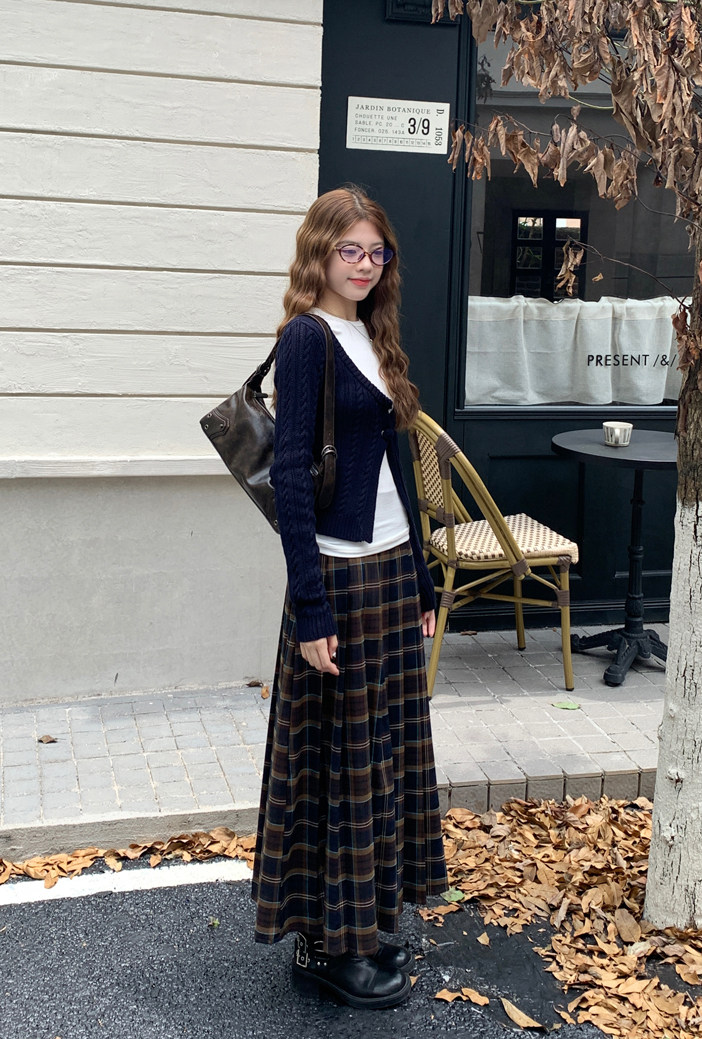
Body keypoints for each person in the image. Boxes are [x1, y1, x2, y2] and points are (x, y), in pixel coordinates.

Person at [250, 186, 448, 1010]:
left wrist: (423, 576)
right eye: (350, 251)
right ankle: (326, 946)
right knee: (338, 768)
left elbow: (396, 466)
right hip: (338, 575)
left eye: (377, 252)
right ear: (319, 253)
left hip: (391, 568)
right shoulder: (307, 339)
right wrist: (312, 607)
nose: (365, 265)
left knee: (379, 759)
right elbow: (291, 477)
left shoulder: (371, 333)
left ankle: (360, 922)